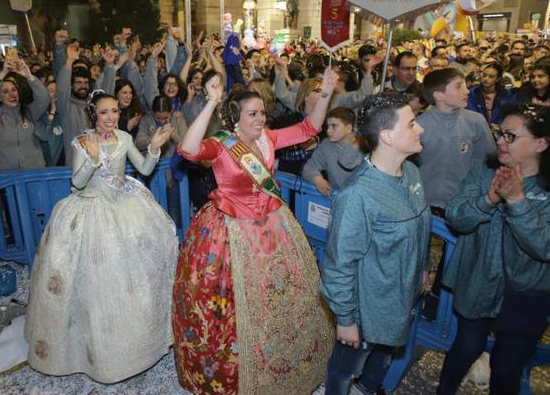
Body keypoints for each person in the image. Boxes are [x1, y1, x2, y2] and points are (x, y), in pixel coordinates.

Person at [173, 66, 338, 395]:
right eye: (253, 114)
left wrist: (327, 93)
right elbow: (187, 151)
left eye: (262, 112)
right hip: (229, 232)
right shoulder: (221, 145)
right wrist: (211, 101)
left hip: (272, 226)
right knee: (229, 300)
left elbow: (309, 127)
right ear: (235, 118)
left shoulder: (270, 139)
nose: (260, 119)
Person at [24, 91, 178, 383]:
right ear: (94, 114)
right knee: (95, 285)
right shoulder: (83, 142)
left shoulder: (124, 138)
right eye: (104, 112)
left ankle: (137, 339)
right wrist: (93, 160)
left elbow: (144, 169)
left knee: (131, 280)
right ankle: (91, 345)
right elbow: (77, 182)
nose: (111, 117)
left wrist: (155, 149)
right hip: (89, 212)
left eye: (115, 112)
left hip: (122, 208)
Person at [436, 103, 550, 395]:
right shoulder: (485, 172)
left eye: (510, 136)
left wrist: (518, 202)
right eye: (499, 134)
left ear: (542, 143)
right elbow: (456, 216)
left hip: (529, 291)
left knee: (507, 367)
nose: (500, 142)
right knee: (465, 349)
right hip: (479, 279)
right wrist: (487, 200)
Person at [321, 92, 430, 395]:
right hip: (367, 308)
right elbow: (339, 265)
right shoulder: (357, 197)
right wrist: (345, 320)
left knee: (384, 355)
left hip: (401, 297)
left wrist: (422, 268)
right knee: (346, 367)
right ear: (387, 136)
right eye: (411, 124)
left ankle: (368, 388)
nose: (420, 128)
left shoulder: (411, 172)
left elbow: (421, 228)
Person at [417, 68, 496, 213]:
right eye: (459, 86)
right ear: (439, 95)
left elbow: (487, 161)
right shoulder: (418, 126)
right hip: (424, 204)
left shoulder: (475, 121)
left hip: (464, 204)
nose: (466, 91)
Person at [0, 53, 49, 170]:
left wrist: (29, 77)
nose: (11, 94)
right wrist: (3, 73)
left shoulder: (29, 111)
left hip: (34, 172)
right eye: (5, 92)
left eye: (14, 90)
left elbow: (43, 99)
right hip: (7, 177)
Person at [301, 107, 362, 197]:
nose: (328, 130)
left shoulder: (363, 146)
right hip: (338, 198)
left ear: (348, 128)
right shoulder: (326, 144)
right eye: (328, 126)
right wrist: (317, 179)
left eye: (334, 126)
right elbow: (309, 167)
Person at [466, 62, 514, 132]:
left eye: (491, 77)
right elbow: (471, 113)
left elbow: (510, 115)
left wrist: (500, 127)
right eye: (484, 75)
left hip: (499, 131)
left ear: (498, 79)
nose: (486, 79)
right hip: (477, 130)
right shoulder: (473, 92)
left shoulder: (506, 94)